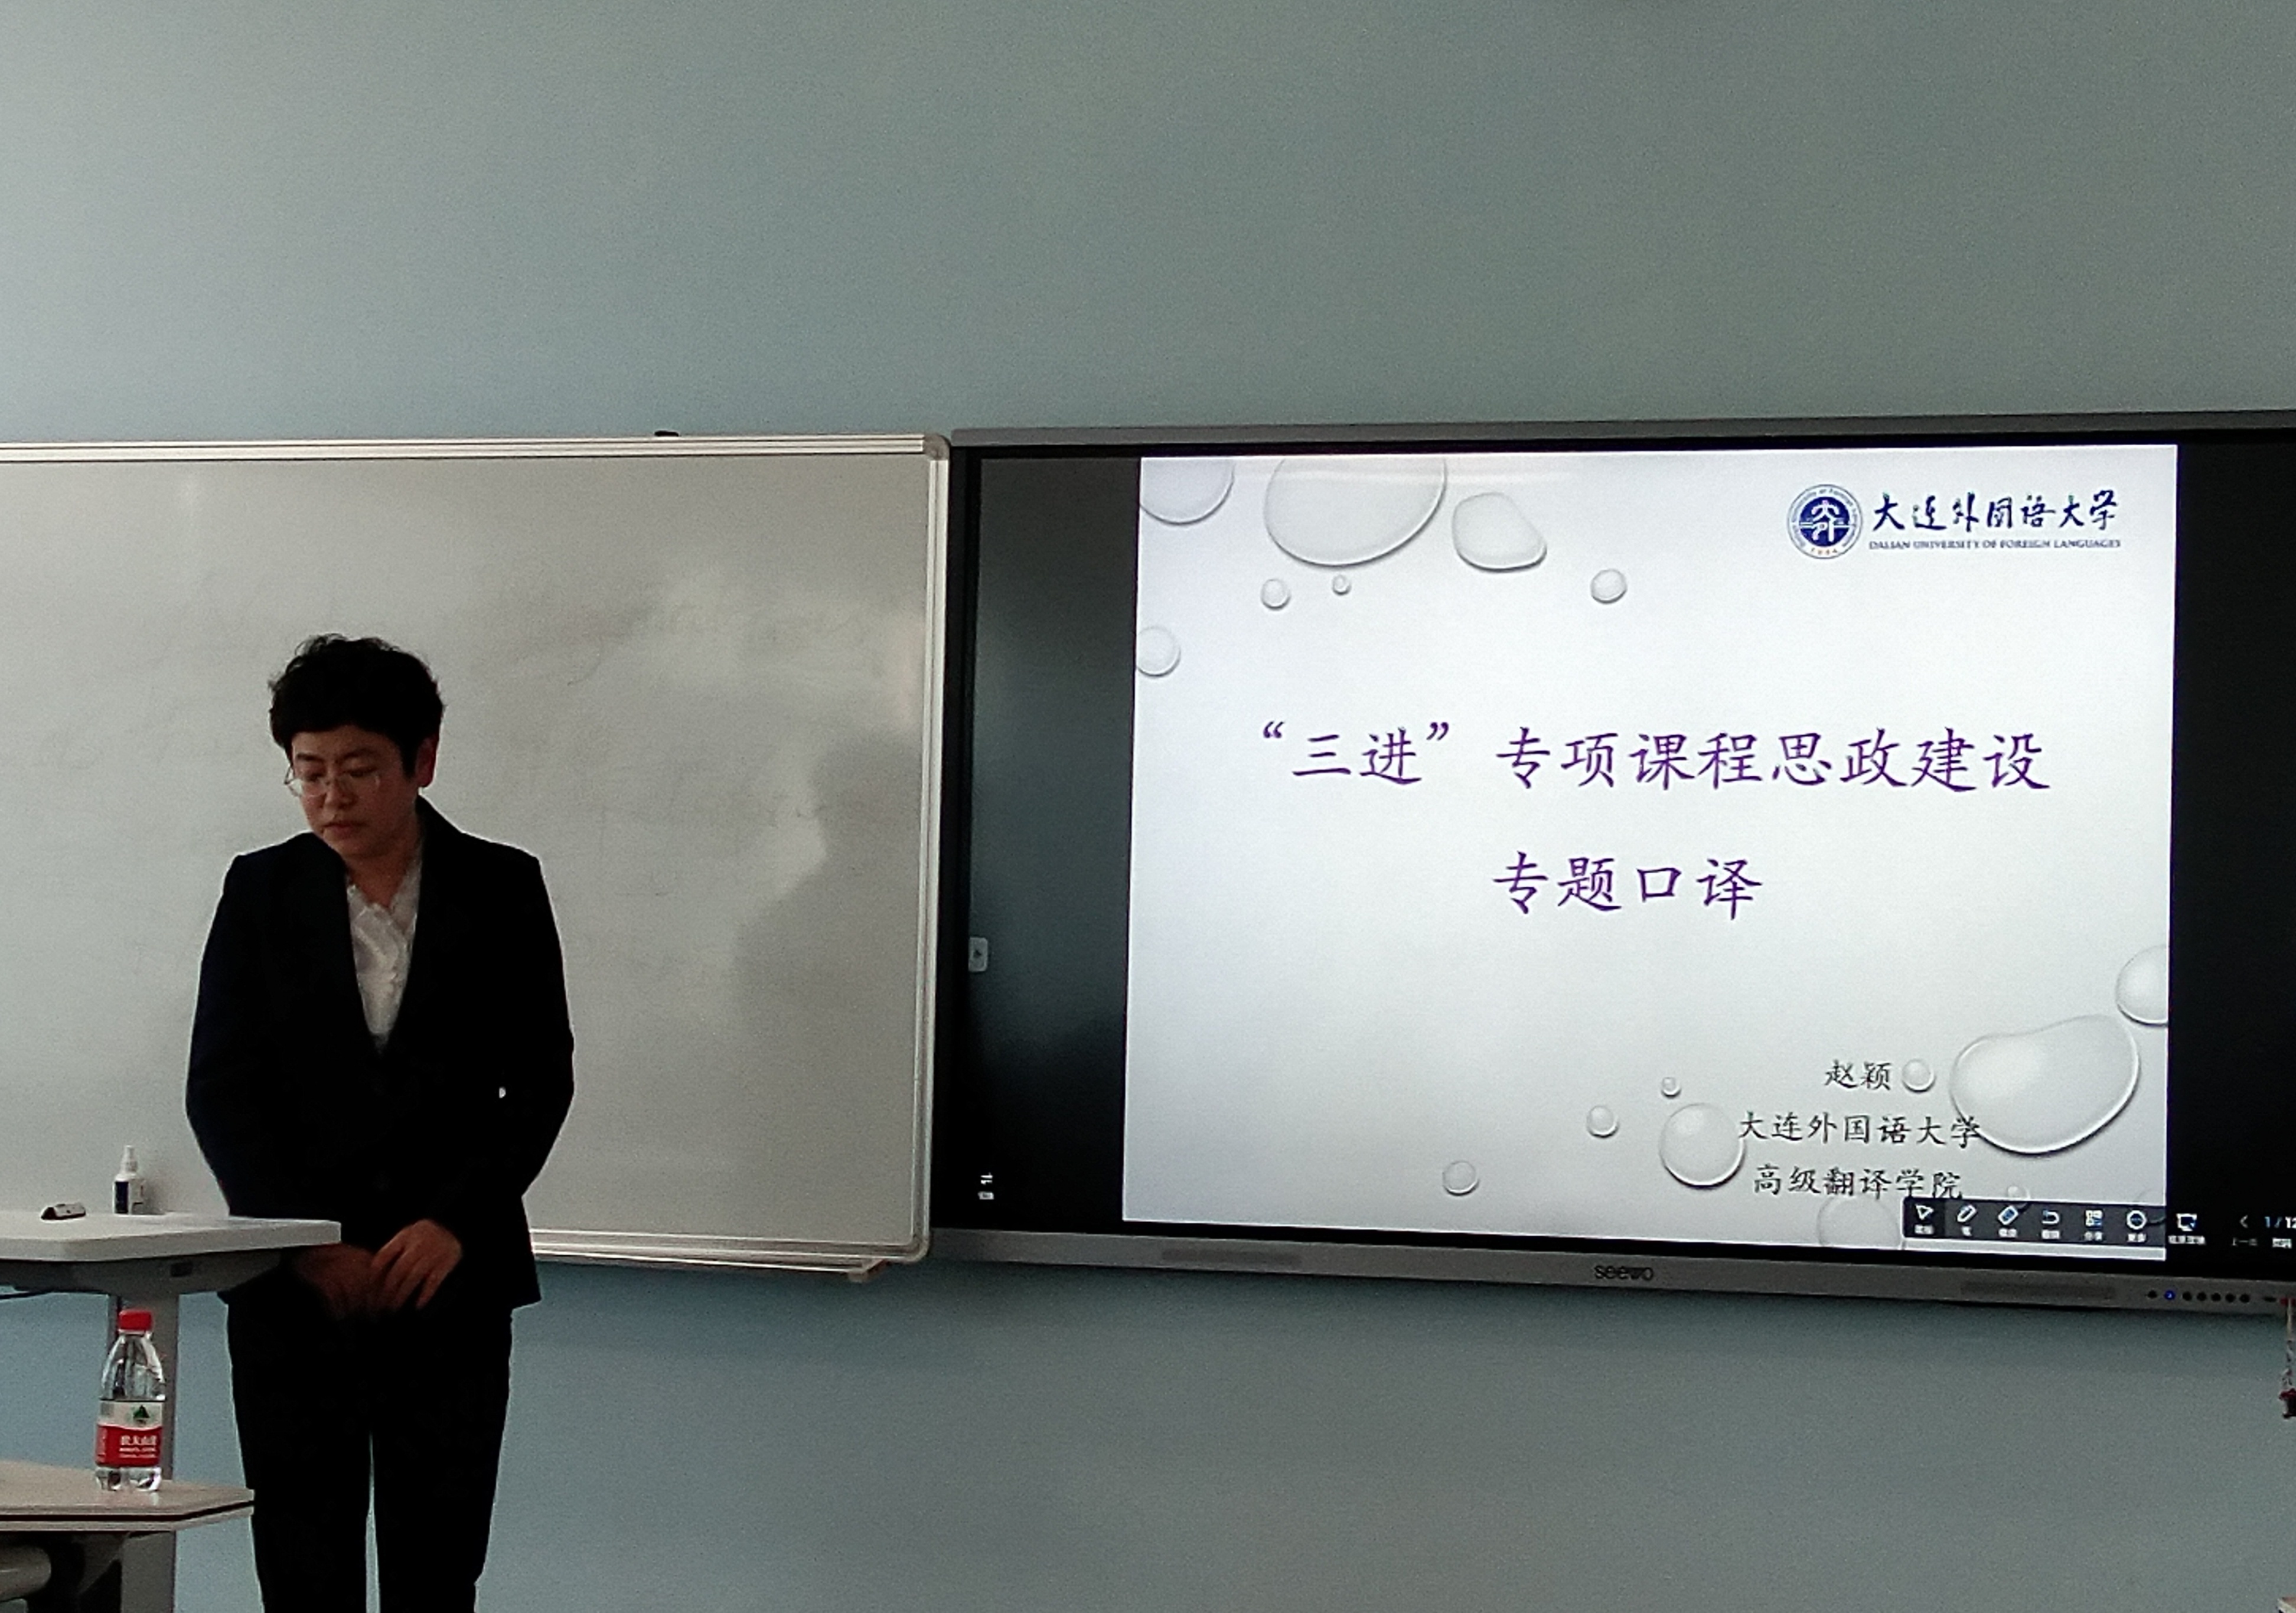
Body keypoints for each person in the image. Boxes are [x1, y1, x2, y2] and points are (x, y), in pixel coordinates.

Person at [186, 635, 574, 1612]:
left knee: (437, 1566)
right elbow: (221, 1088)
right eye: (309, 772)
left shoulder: (502, 886)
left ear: (422, 761)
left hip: (450, 1282)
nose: (332, 797)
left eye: (359, 769)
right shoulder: (260, 890)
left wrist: (455, 1223)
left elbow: (540, 1083)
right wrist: (303, 1239)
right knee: (301, 1563)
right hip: (296, 1292)